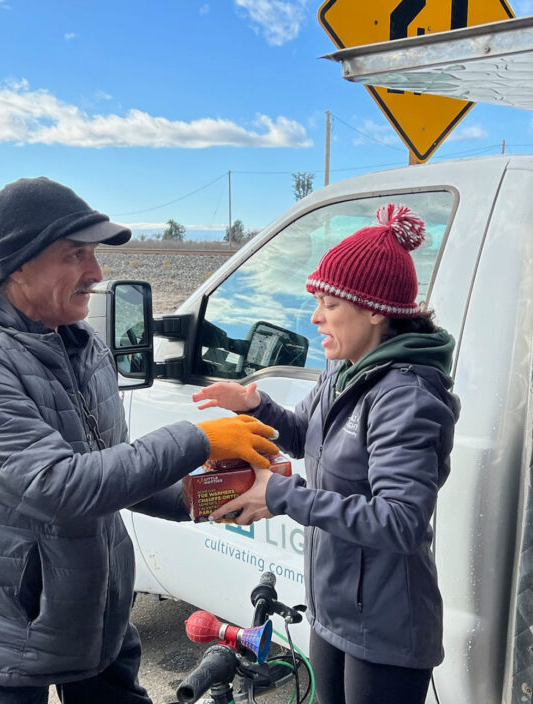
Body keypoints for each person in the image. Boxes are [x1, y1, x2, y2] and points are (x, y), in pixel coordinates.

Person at [0, 176, 278, 703]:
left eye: (94, 255)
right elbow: (59, 486)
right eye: (75, 255)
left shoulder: (80, 345)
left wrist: (219, 495)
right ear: (17, 263)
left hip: (92, 622)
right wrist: (200, 439)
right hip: (3, 643)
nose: (96, 274)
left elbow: (112, 473)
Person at [192, 204, 461, 704]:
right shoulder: (344, 371)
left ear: (375, 310)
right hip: (334, 608)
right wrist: (257, 404)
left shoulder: (408, 396)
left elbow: (401, 520)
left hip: (386, 624)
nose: (315, 317)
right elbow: (303, 435)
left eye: (329, 304)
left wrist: (284, 495)